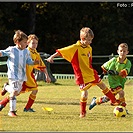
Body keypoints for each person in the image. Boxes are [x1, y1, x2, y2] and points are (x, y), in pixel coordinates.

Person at [47, 27, 120, 118]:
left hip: (90, 72)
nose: (90, 42)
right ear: (83, 39)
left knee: (102, 85)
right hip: (81, 75)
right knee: (85, 93)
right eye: (89, 40)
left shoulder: (89, 48)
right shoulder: (75, 47)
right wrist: (52, 57)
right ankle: (82, 112)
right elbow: (61, 51)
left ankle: (113, 101)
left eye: (91, 40)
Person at [0, 34, 51, 113]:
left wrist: (46, 75)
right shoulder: (18, 50)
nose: (34, 45)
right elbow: (3, 53)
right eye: (32, 43)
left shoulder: (32, 53)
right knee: (17, 92)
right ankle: (15, 109)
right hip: (17, 75)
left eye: (36, 43)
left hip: (24, 76)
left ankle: (3, 103)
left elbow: (40, 65)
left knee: (16, 92)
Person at [89, 43, 132, 113]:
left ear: (127, 52)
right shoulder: (114, 60)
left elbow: (126, 71)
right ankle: (123, 109)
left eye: (124, 51)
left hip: (121, 81)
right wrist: (102, 75)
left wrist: (117, 73)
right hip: (113, 81)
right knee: (121, 93)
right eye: (121, 51)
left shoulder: (128, 63)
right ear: (118, 51)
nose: (122, 53)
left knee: (109, 96)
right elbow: (105, 67)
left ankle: (96, 101)